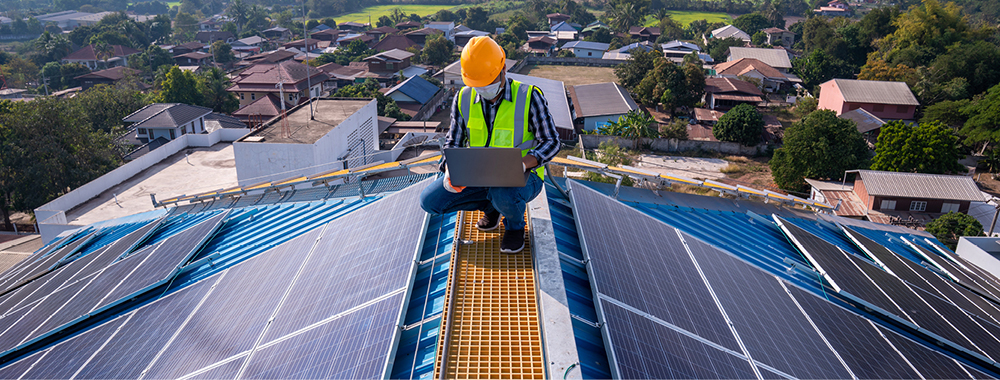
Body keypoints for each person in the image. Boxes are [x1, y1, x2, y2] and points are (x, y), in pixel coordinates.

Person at [420, 36, 560, 254]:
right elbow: (453, 142)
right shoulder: (463, 99)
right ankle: (491, 207)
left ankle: (514, 227)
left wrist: (522, 164)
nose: (484, 89)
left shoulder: (529, 97)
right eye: (478, 85)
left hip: (524, 176)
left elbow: (551, 142)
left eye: (489, 82)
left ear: (503, 69)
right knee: (430, 201)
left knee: (503, 192)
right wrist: (449, 170)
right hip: (478, 174)